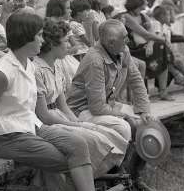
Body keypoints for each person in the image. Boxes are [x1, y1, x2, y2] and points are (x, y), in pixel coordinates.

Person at [0, 12, 125, 191]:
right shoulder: (3, 72)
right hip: (11, 136)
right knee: (73, 164)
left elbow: (32, 112)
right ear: (25, 37)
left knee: (79, 145)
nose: (42, 40)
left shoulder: (27, 64)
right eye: (38, 35)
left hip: (33, 127)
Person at [67, 19, 157, 191]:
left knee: (149, 124)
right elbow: (96, 107)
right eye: (124, 37)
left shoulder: (122, 50)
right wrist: (126, 115)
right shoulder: (94, 60)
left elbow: (136, 80)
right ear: (110, 43)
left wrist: (144, 110)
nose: (128, 40)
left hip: (105, 105)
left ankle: (133, 176)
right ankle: (115, 176)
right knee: (129, 125)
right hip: (81, 110)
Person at [33, 19, 128, 177]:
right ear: (52, 44)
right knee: (93, 137)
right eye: (65, 41)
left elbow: (63, 106)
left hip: (60, 116)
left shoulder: (56, 65)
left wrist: (78, 123)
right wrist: (74, 125)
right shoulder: (37, 69)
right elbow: (44, 115)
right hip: (45, 123)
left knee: (101, 132)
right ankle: (91, 178)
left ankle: (107, 175)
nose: (70, 45)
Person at [122, 0, 169, 93]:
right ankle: (159, 90)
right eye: (145, 0)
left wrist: (150, 45)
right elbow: (145, 34)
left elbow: (151, 33)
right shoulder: (126, 16)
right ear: (138, 1)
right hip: (133, 50)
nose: (147, 3)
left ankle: (163, 90)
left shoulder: (144, 16)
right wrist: (163, 39)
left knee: (161, 47)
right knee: (162, 45)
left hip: (145, 47)